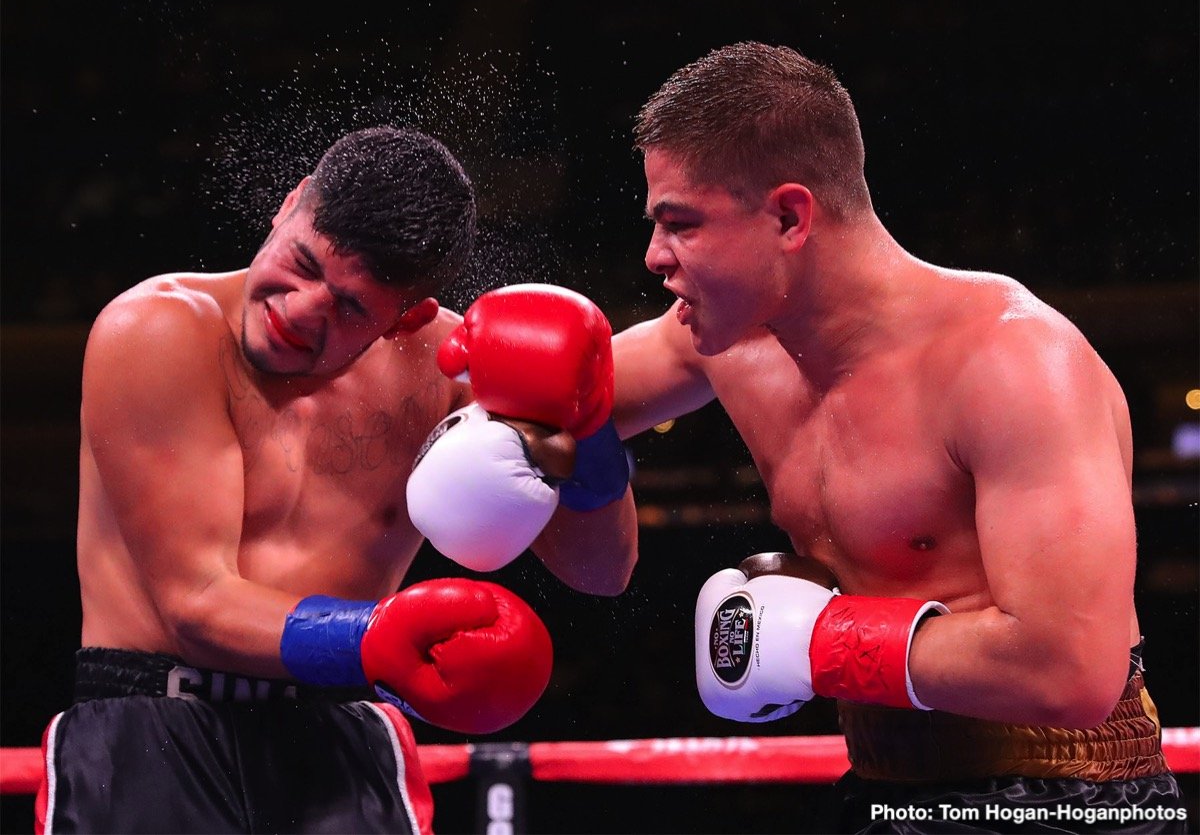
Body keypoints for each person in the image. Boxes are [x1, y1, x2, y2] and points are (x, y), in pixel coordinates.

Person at [612, 42, 1186, 833]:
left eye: (682, 225)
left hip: (1064, 804)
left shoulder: (1010, 363)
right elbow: (546, 393)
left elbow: (1071, 667)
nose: (655, 257)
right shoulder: (730, 342)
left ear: (789, 215)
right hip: (882, 788)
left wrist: (819, 643)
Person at [42, 126, 638, 834]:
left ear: (405, 318)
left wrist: (589, 425)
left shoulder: (445, 373)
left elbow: (603, 570)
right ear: (289, 204)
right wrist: (374, 637)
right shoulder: (161, 331)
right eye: (301, 263)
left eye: (350, 306)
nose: (298, 309)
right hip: (151, 735)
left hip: (338, 736)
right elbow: (195, 602)